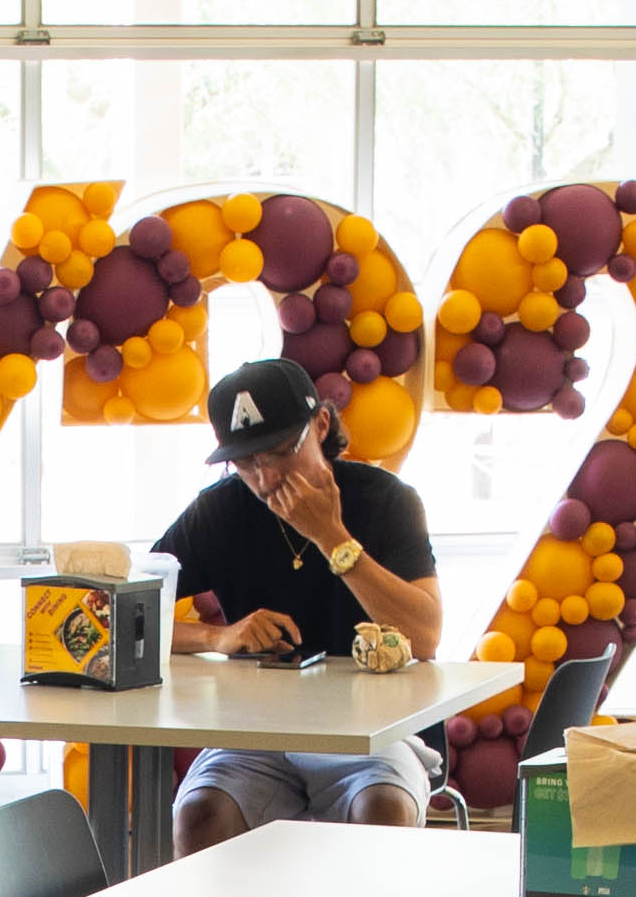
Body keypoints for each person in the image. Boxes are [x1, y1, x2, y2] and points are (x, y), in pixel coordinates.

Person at [160, 358, 446, 846]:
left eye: (276, 453)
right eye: (245, 461)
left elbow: (425, 637)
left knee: (383, 809)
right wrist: (218, 636)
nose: (265, 478)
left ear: (321, 424)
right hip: (258, 734)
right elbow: (124, 618)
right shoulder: (220, 508)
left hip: (372, 733)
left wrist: (331, 537)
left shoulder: (386, 500)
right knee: (200, 813)